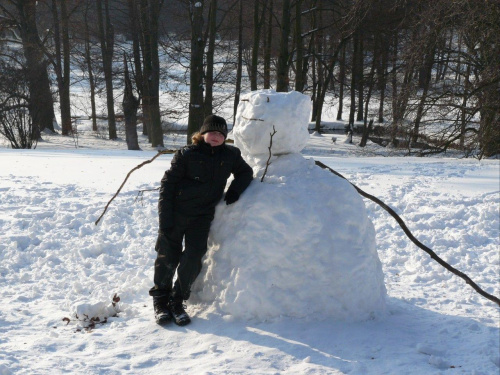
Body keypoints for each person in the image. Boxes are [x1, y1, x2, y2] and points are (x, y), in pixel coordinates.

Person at [149, 114, 253, 325]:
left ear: (225, 137)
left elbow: (245, 172)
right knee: (168, 255)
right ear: (202, 134)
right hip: (177, 212)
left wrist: (234, 191)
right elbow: (167, 185)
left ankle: (177, 300)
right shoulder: (187, 154)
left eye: (220, 134)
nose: (215, 137)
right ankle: (161, 300)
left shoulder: (231, 154)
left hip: (202, 216)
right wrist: (165, 217)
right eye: (211, 132)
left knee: (194, 256)